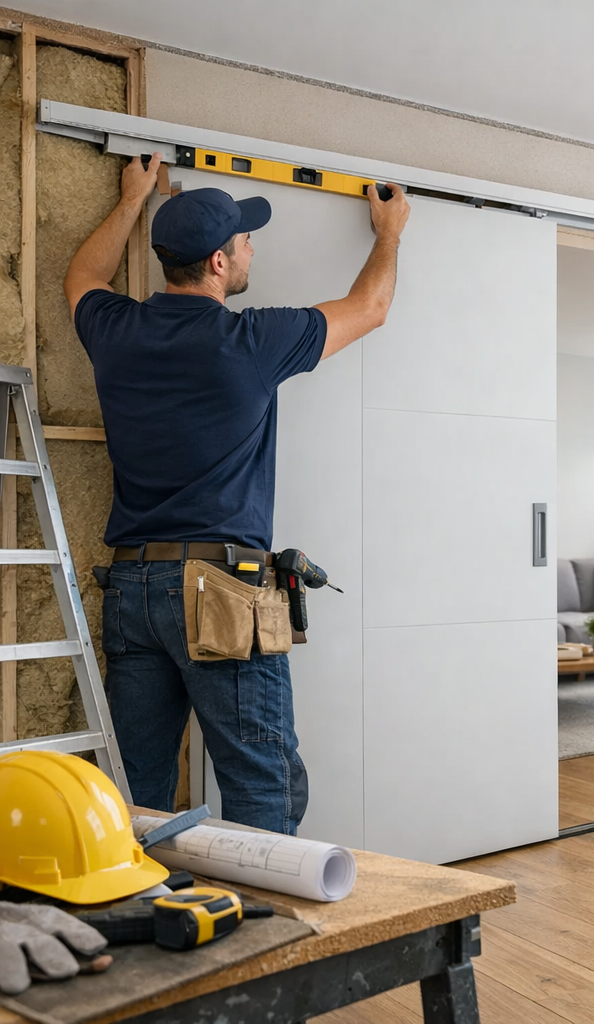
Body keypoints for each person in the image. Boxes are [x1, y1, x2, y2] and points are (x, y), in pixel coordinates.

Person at [64, 154, 410, 835]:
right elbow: (370, 309)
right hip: (221, 590)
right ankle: (267, 937)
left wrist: (133, 200)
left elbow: (81, 276)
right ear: (219, 263)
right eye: (245, 239)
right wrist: (390, 231)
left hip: (131, 588)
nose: (253, 246)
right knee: (261, 782)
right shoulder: (251, 339)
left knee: (135, 791)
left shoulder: (116, 331)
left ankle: (147, 918)